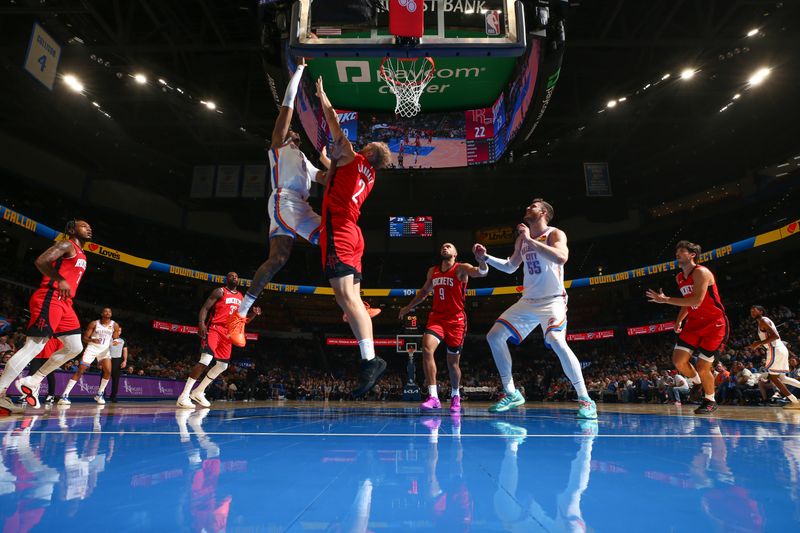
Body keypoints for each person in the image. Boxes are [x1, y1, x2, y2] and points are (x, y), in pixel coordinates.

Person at [227, 59, 331, 348]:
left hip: (299, 205)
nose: (295, 133)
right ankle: (241, 314)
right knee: (289, 254)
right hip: (284, 200)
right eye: (292, 132)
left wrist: (347, 165)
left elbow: (326, 178)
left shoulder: (303, 160)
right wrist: (298, 71)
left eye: (296, 134)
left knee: (324, 245)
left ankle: (352, 305)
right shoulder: (278, 146)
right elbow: (287, 105)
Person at [474, 199, 597, 419]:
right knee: (494, 336)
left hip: (553, 301)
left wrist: (530, 240)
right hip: (528, 302)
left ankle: (585, 399)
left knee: (557, 341)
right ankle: (511, 393)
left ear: (543, 212)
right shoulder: (522, 239)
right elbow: (511, 267)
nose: (527, 207)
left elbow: (562, 257)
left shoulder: (554, 233)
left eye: (533, 206)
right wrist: (486, 258)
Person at [315, 75, 392, 397]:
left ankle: (370, 360)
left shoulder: (353, 157)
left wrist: (322, 95)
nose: (362, 142)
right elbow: (330, 177)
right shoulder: (368, 173)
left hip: (341, 232)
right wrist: (323, 161)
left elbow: (334, 123)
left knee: (346, 300)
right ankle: (364, 318)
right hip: (353, 233)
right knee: (346, 300)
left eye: (367, 144)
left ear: (368, 152)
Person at [0, 219, 92, 414]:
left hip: (65, 303)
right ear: (72, 229)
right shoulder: (67, 244)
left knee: (75, 347)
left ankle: (32, 381)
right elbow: (41, 261)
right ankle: (0, 393)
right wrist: (59, 280)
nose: (88, 228)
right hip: (50, 297)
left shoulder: (82, 252)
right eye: (84, 226)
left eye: (89, 226)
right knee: (34, 347)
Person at [399, 243, 487, 412]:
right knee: (426, 348)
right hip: (437, 318)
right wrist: (407, 308)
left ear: (455, 253)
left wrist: (482, 260)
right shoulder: (433, 271)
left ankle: (455, 395)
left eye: (449, 246)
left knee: (452, 364)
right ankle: (433, 396)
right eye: (443, 246)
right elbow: (424, 292)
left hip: (456, 320)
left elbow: (481, 272)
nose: (445, 247)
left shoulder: (461, 268)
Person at [647, 240, 729, 414]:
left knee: (702, 366)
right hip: (693, 323)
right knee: (678, 361)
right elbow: (687, 302)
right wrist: (679, 321)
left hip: (714, 324)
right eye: (677, 251)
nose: (678, 253)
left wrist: (666, 300)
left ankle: (710, 400)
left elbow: (696, 300)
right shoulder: (679, 277)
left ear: (692, 255)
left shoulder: (701, 272)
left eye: (682, 251)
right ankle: (697, 383)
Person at [177, 272, 260, 408]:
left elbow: (242, 320)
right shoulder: (220, 291)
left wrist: (254, 314)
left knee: (222, 365)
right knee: (205, 360)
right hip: (215, 329)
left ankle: (198, 391)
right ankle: (184, 395)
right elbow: (205, 308)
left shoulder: (241, 297)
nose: (235, 277)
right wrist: (201, 323)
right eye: (232, 276)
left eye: (237, 276)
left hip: (228, 334)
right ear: (226, 279)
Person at [58, 307, 120, 405]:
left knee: (108, 371)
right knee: (81, 369)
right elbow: (84, 338)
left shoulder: (114, 325)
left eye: (109, 311)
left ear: (111, 314)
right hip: (92, 349)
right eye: (106, 311)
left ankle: (99, 394)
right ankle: (64, 395)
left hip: (104, 350)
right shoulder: (94, 323)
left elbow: (116, 337)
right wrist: (92, 340)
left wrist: (116, 341)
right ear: (101, 313)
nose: (108, 313)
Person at [748, 305, 800, 409]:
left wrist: (758, 343)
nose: (752, 313)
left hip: (775, 350)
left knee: (773, 377)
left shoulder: (763, 320)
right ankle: (794, 401)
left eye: (754, 311)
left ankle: (794, 402)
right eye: (751, 311)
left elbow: (775, 336)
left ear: (761, 312)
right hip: (779, 349)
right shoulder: (762, 322)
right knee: (782, 378)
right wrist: (759, 344)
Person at [108, 332, 128, 402]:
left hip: (117, 360)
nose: (118, 331)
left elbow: (125, 351)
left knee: (116, 380)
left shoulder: (123, 340)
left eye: (119, 330)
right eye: (116, 330)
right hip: (107, 359)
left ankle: (113, 397)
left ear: (120, 332)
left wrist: (125, 361)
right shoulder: (108, 338)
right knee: (104, 378)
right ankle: (101, 395)